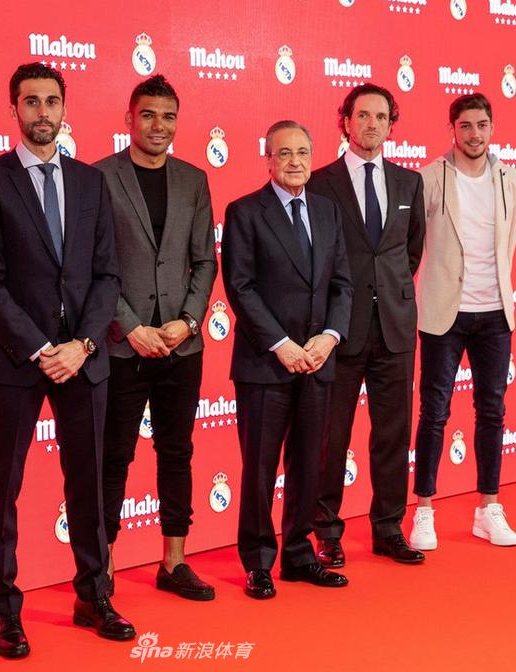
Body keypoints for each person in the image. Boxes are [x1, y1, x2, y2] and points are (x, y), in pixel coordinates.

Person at [0, 63, 134, 658]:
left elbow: (108, 275)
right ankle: (5, 613)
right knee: (2, 488)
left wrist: (81, 345)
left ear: (64, 108)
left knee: (89, 483)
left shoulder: (91, 183)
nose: (42, 112)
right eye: (31, 101)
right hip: (17, 361)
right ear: (14, 109)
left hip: (84, 358)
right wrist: (41, 349)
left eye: (52, 101)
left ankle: (94, 596)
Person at [93, 75, 218, 600]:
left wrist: (188, 322)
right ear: (129, 119)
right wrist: (130, 326)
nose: (158, 125)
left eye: (168, 116)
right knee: (113, 457)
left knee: (177, 452)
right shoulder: (99, 177)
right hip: (123, 346)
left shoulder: (194, 180)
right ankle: (101, 567)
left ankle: (174, 561)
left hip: (180, 345)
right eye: (148, 115)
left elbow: (205, 261)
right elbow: (95, 265)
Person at [222, 120, 353, 600]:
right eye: (284, 153)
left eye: (302, 152)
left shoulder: (327, 210)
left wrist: (329, 338)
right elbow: (240, 287)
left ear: (312, 157)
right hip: (266, 364)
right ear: (268, 160)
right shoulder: (245, 212)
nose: (294, 161)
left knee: (309, 466)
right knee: (260, 468)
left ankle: (299, 556)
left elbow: (342, 284)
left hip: (318, 361)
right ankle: (258, 562)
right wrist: (282, 344)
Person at [308, 84, 426, 567]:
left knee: (393, 434)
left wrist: (388, 293)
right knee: (330, 436)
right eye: (362, 115)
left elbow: (410, 251)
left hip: (395, 326)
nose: (371, 124)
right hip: (339, 328)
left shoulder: (409, 183)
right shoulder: (321, 182)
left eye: (381, 116)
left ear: (391, 125)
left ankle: (389, 528)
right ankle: (326, 531)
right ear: (346, 121)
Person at [409, 93, 516, 550]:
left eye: (482, 125)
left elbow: (509, 243)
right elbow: (414, 243)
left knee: (492, 411)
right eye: (465, 126)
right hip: (444, 313)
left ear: (492, 128)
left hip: (495, 313)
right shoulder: (429, 178)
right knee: (434, 412)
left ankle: (488, 507)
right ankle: (424, 510)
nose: (474, 134)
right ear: (452, 129)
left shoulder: (511, 179)